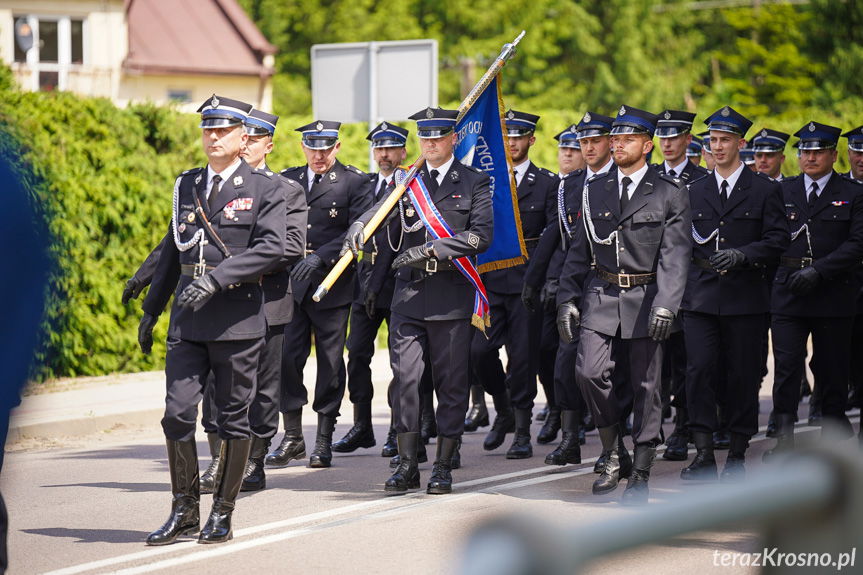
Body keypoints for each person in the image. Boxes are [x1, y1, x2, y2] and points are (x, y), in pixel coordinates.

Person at [139, 95, 287, 544]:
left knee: (232, 420)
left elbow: (274, 247)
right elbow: (174, 251)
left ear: (244, 139)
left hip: (237, 321)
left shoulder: (268, 189)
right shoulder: (186, 185)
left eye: (222, 131)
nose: (213, 137)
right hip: (188, 319)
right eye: (208, 129)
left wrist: (220, 278)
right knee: (177, 414)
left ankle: (222, 511)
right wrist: (151, 311)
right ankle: (184, 510)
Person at [343, 106, 492, 495]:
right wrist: (359, 224)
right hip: (408, 298)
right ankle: (408, 463)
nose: (430, 143)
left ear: (453, 139)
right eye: (424, 137)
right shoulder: (408, 180)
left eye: (438, 136)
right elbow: (380, 210)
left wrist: (431, 252)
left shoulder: (474, 181)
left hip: (451, 298)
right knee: (406, 381)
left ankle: (443, 464)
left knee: (451, 383)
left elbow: (481, 236)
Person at [557, 105, 691, 505]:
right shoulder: (593, 189)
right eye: (614, 138)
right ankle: (614, 451)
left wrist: (667, 304)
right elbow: (578, 252)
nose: (616, 145)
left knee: (646, 387)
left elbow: (675, 255)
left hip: (647, 297)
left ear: (647, 145)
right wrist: (567, 298)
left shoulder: (669, 191)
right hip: (601, 294)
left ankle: (642, 472)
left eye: (627, 138)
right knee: (588, 372)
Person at [678, 106, 789, 483]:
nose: (718, 147)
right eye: (713, 141)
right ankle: (704, 451)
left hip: (746, 297)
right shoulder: (694, 190)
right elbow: (680, 245)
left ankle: (738, 452)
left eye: (726, 140)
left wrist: (744, 255)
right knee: (698, 372)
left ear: (741, 143)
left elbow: (778, 240)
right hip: (701, 298)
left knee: (742, 375)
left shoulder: (764, 189)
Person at [268, 121, 373, 469]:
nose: (319, 155)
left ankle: (324, 438)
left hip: (332, 285)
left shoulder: (355, 182)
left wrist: (319, 256)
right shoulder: (288, 179)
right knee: (287, 360)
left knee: (330, 364)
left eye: (325, 148)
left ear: (337, 147)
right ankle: (294, 437)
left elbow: (356, 230)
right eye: (312, 148)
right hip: (291, 286)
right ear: (303, 147)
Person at [764, 121, 863, 457]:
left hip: (833, 293)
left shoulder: (852, 193)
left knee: (833, 368)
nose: (810, 157)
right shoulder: (783, 191)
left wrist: (819, 271)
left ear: (834, 155)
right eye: (805, 151)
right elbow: (772, 237)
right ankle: (785, 437)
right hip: (789, 290)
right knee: (787, 367)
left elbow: (857, 243)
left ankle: (833, 436)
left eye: (818, 151)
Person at [526, 111, 616, 467]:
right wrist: (534, 280)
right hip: (576, 285)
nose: (588, 148)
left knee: (614, 371)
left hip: (616, 286)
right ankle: (570, 438)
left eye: (595, 141)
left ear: (610, 142)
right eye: (584, 142)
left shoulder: (623, 180)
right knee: (565, 365)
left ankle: (622, 440)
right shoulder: (570, 185)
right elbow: (557, 237)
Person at [471, 110, 557, 459]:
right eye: (506, 136)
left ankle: (522, 431)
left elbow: (552, 236)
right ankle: (503, 409)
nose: (511, 143)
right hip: (490, 281)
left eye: (519, 137)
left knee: (522, 361)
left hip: (527, 283)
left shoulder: (547, 183)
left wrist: (544, 280)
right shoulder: (483, 181)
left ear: (531, 140)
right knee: (477, 352)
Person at [235, 109, 308, 491]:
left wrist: (237, 266)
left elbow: (292, 246)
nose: (245, 144)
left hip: (269, 300)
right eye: (241, 137)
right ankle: (225, 457)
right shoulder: (219, 185)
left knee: (265, 387)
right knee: (226, 387)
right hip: (227, 302)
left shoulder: (286, 189)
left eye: (254, 138)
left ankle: (256, 459)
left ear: (269, 144)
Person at [333, 122, 408, 454]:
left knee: (400, 360)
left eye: (391, 148)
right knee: (357, 353)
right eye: (379, 148)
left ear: (403, 151)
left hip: (398, 279)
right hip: (365, 279)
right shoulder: (364, 185)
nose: (385, 154)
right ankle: (362, 425)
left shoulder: (409, 184)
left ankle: (398, 428)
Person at [652, 109, 709, 462]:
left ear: (688, 139)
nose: (668, 143)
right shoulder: (650, 178)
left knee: (689, 360)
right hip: (654, 281)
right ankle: (652, 422)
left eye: (675, 137)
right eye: (663, 137)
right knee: (658, 361)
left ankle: (684, 424)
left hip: (692, 283)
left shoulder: (701, 179)